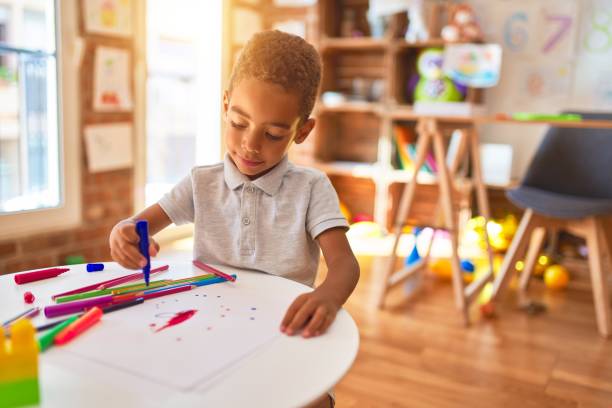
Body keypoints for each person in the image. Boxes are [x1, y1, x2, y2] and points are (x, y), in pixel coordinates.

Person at [109, 30, 359, 407]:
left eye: (274, 133)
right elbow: (137, 226)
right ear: (225, 105)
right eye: (239, 123)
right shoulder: (201, 182)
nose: (250, 144)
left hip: (283, 331)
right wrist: (123, 233)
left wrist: (327, 296)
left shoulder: (312, 188)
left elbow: (345, 264)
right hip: (209, 332)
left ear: (302, 131)